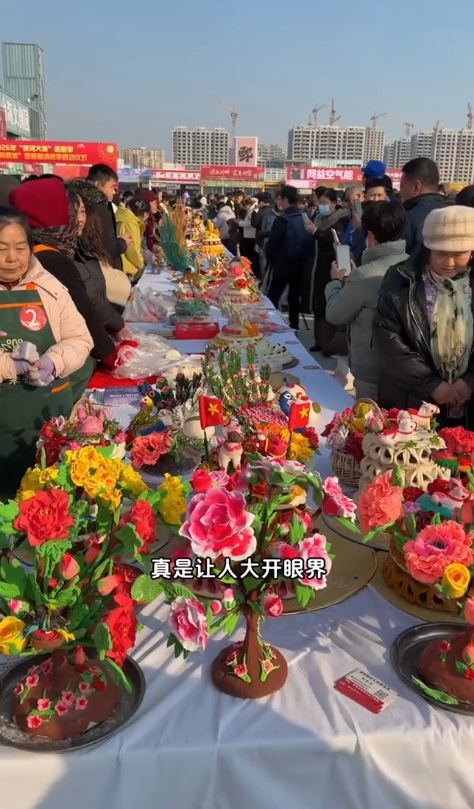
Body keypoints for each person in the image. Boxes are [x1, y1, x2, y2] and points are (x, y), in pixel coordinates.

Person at [0, 207, 92, 494]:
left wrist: (54, 362)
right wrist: (9, 366)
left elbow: (80, 338)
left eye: (20, 248)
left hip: (48, 421)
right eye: (1, 249)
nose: (12, 258)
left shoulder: (49, 286)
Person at [10, 177, 116, 398]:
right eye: (71, 210)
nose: (78, 219)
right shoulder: (51, 258)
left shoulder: (40, 252)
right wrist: (111, 354)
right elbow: (83, 319)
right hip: (47, 378)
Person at [375, 205, 474, 424]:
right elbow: (388, 339)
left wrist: (468, 382)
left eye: (458, 254)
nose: (449, 263)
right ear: (427, 249)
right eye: (440, 253)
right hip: (411, 403)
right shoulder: (401, 278)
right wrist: (432, 385)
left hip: (467, 405)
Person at [325, 201, 408, 399]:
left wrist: (336, 282)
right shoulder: (411, 264)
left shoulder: (364, 276)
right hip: (404, 368)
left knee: (371, 423)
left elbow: (336, 314)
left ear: (370, 236)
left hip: (372, 371)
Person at [71, 191, 125, 337]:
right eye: (76, 212)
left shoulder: (82, 249)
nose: (81, 219)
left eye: (83, 212)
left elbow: (98, 293)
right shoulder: (67, 254)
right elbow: (92, 298)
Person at [305, 189, 350, 352]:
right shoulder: (317, 217)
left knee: (329, 302)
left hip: (332, 266)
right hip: (317, 265)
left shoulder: (342, 218)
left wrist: (316, 232)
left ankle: (329, 343)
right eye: (320, 202)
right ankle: (319, 341)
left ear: (334, 202)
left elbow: (334, 241)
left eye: (325, 203)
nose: (322, 206)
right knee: (318, 303)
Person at [267, 185, 314, 331]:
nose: (279, 202)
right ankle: (294, 325)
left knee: (272, 297)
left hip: (282, 265)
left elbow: (272, 244)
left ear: (286, 199)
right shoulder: (305, 218)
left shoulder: (282, 220)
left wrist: (271, 260)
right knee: (294, 297)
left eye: (280, 198)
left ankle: (271, 323)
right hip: (301, 265)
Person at [85, 164, 129, 270]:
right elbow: (104, 247)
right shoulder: (98, 210)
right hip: (100, 269)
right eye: (112, 187)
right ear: (97, 184)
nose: (114, 192)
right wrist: (122, 243)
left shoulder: (90, 204)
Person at [400, 157, 447, 254]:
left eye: (402, 186)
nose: (400, 192)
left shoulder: (407, 218)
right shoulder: (451, 212)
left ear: (417, 187)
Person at [115, 198, 150, 281]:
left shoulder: (124, 217)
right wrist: (141, 265)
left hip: (121, 266)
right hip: (126, 269)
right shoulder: (131, 222)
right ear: (145, 214)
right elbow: (133, 249)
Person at [239, 197, 259, 277]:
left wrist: (240, 223)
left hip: (250, 236)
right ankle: (250, 271)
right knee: (250, 255)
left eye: (247, 205)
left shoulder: (252, 211)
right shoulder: (252, 210)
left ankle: (250, 272)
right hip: (250, 235)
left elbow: (250, 223)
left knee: (249, 256)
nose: (246, 206)